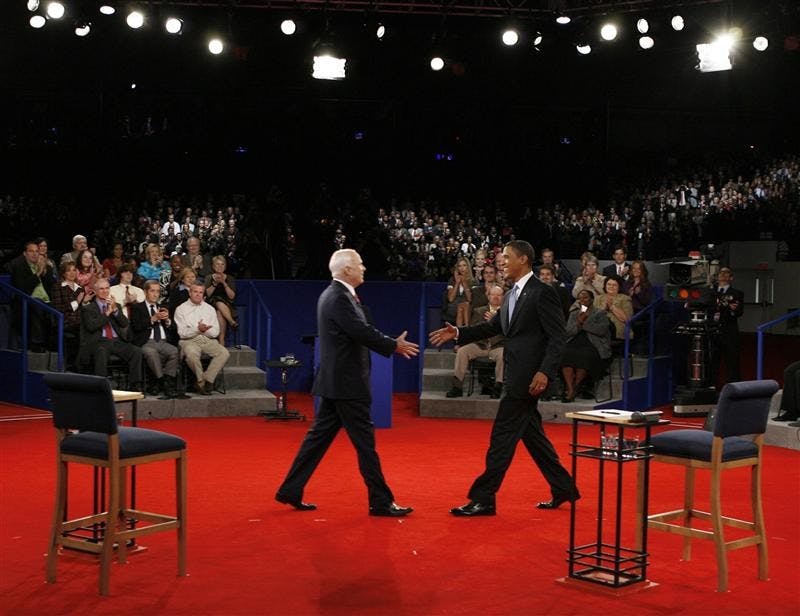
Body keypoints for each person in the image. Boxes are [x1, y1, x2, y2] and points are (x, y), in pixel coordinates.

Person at [430, 240, 578, 516]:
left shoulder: (542, 292)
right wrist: (459, 332)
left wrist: (544, 371)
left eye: (507, 257)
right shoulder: (510, 295)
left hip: (528, 379)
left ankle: (484, 497)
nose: (502, 261)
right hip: (515, 374)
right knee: (533, 437)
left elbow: (558, 338)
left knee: (502, 437)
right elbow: (491, 327)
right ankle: (563, 488)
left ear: (523, 259)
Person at [275, 249, 418, 516]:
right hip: (347, 386)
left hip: (335, 384)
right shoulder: (338, 298)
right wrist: (393, 345)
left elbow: (359, 330)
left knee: (316, 442)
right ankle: (381, 501)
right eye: (359, 264)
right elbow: (360, 331)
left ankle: (290, 490)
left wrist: (388, 342)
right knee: (365, 446)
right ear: (346, 270)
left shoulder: (335, 295)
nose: (364, 268)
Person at [77, 278, 143, 391]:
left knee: (136, 351)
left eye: (107, 288)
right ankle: (101, 387)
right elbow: (92, 326)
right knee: (101, 351)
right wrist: (107, 313)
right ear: (95, 291)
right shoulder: (88, 308)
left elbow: (124, 324)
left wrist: (116, 311)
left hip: (116, 341)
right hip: (98, 341)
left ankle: (135, 386)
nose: (105, 291)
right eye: (101, 289)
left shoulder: (115, 304)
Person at [444, 285, 505, 399]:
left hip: (498, 346)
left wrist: (497, 320)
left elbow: (510, 332)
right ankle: (457, 387)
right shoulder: (479, 311)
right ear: (488, 296)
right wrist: (460, 343)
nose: (496, 297)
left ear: (503, 297)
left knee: (503, 355)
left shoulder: (507, 313)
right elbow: (472, 330)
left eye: (499, 295)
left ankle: (498, 387)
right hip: (480, 345)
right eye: (493, 294)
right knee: (463, 351)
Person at [174, 282, 230, 395]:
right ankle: (201, 382)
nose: (198, 295)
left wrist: (204, 331)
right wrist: (197, 330)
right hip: (188, 340)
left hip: (207, 339)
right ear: (190, 293)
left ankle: (207, 380)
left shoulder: (210, 309)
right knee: (191, 354)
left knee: (224, 353)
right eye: (195, 292)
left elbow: (215, 332)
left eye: (201, 292)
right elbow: (182, 333)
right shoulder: (181, 309)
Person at [130, 280, 180, 398]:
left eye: (158, 291)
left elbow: (174, 329)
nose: (155, 294)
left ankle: (164, 381)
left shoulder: (163, 308)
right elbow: (136, 327)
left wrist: (167, 321)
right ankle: (163, 382)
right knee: (151, 353)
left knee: (174, 351)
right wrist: (152, 318)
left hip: (163, 341)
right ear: (145, 292)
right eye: (152, 291)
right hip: (147, 342)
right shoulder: (138, 308)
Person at [561, 290, 612, 402]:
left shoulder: (600, 313)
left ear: (592, 300)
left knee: (584, 356)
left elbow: (601, 331)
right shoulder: (574, 313)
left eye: (585, 298)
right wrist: (578, 323)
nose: (582, 300)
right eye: (580, 298)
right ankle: (571, 388)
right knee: (565, 354)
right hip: (575, 341)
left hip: (593, 343)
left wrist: (584, 323)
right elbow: (568, 332)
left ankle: (576, 386)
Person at [7, 240, 54, 352]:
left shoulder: (43, 265)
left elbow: (51, 286)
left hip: (46, 300)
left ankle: (53, 345)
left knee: (60, 308)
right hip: (26, 301)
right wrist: (38, 273)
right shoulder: (18, 267)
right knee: (38, 306)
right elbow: (22, 287)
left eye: (37, 251)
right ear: (25, 253)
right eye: (31, 251)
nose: (34, 254)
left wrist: (45, 271)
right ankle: (36, 344)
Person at [708, 266, 744, 384]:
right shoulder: (710, 292)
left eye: (726, 273)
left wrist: (733, 309)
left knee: (732, 360)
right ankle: (711, 385)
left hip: (729, 331)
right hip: (712, 330)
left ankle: (734, 386)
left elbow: (739, 312)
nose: (722, 275)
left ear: (731, 277)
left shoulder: (737, 293)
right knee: (712, 360)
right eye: (720, 273)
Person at [50, 261, 89, 368]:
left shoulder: (80, 288)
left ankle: (83, 366)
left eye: (74, 270)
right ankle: (71, 366)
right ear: (63, 273)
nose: (72, 273)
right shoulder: (58, 286)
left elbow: (82, 309)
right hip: (66, 322)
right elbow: (58, 308)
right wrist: (76, 302)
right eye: (68, 270)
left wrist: (85, 302)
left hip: (79, 321)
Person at [204, 255, 237, 345]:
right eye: (217, 264)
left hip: (226, 305)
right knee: (217, 301)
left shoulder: (230, 278)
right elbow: (207, 294)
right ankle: (231, 322)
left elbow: (232, 296)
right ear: (213, 266)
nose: (220, 266)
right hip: (210, 304)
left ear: (225, 266)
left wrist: (223, 283)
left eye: (222, 264)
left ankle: (221, 339)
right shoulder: (209, 277)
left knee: (219, 311)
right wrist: (215, 284)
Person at [442, 256, 473, 327]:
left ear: (468, 267)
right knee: (460, 307)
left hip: (467, 308)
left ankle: (461, 333)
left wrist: (464, 283)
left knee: (464, 306)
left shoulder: (473, 281)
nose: (462, 268)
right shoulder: (452, 280)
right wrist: (457, 283)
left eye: (464, 265)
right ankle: (464, 332)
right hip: (453, 308)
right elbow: (450, 299)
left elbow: (470, 299)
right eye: (459, 266)